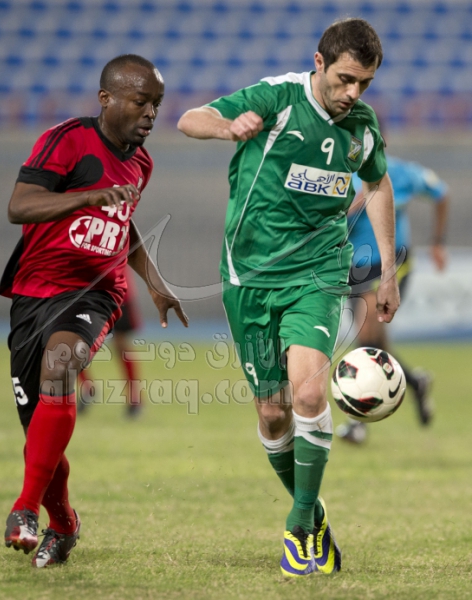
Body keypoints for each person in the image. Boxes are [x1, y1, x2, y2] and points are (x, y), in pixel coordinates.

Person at [178, 18, 398, 577]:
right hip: (249, 276)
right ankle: (313, 512)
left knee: (308, 392)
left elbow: (376, 182)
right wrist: (228, 127)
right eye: (346, 79)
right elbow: (189, 119)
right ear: (319, 63)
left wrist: (388, 272)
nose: (354, 93)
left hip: (319, 272)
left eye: (365, 83)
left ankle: (298, 528)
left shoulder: (362, 126)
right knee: (273, 413)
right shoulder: (277, 97)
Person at [0, 54, 188, 568]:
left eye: (157, 104)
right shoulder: (67, 141)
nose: (151, 113)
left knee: (62, 365)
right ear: (107, 99)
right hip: (35, 292)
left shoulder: (141, 163)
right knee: (40, 436)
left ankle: (24, 508)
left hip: (96, 292)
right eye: (141, 101)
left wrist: (155, 282)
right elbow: (20, 205)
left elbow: (122, 223)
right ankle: (63, 523)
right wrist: (87, 198)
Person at [336, 157, 449, 444]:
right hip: (354, 267)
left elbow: (441, 193)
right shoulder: (336, 173)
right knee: (373, 342)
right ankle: (415, 382)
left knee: (366, 337)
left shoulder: (399, 173)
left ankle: (357, 421)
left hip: (391, 264)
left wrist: (438, 242)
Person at [78, 265, 144, 419]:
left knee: (122, 345)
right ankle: (88, 387)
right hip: (87, 293)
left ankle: (134, 397)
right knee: (74, 342)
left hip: (117, 292)